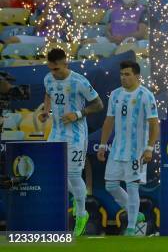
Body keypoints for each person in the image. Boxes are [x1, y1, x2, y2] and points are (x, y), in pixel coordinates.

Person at [38, 48, 104, 236]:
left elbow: (98, 105)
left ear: (65, 63)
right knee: (56, 173)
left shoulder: (79, 81)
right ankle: (77, 197)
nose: (54, 73)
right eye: (51, 69)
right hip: (56, 132)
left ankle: (82, 214)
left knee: (74, 175)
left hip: (75, 135)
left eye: (57, 69)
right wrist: (46, 111)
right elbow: (49, 94)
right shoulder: (48, 78)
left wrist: (78, 114)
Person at [96, 60, 160, 236]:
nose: (123, 78)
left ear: (137, 76)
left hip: (136, 151)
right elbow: (109, 121)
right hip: (117, 149)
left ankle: (131, 227)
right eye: (122, 74)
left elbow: (154, 124)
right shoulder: (116, 95)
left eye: (127, 74)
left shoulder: (146, 95)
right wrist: (102, 144)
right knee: (110, 185)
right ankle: (135, 213)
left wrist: (149, 148)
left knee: (132, 186)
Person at [144, 0, 168, 119]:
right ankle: (162, 100)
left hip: (160, 40)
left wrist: (160, 36)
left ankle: (163, 103)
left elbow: (164, 19)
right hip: (160, 38)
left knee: (160, 72)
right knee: (160, 71)